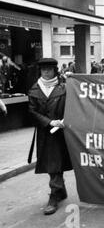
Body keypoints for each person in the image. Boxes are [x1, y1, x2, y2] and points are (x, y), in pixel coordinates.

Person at [28, 58, 72, 216]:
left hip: (60, 131)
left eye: (49, 69)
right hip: (45, 132)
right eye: (43, 69)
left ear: (55, 70)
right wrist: (49, 122)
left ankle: (54, 195)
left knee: (56, 162)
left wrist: (64, 119)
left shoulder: (65, 88)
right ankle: (60, 190)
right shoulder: (34, 90)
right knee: (50, 163)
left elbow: (73, 105)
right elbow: (32, 111)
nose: (46, 72)